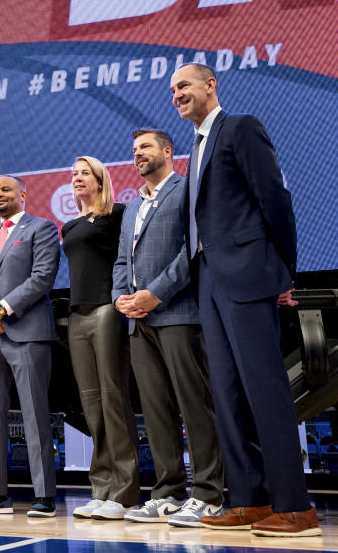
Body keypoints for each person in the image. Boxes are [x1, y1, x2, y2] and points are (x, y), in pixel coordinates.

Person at [171, 63, 319, 537]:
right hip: (209, 282)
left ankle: (295, 506)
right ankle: (249, 500)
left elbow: (275, 199)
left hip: (249, 275)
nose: (178, 95)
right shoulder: (193, 149)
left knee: (265, 391)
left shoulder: (241, 127)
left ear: (211, 85)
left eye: (185, 85)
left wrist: (284, 271)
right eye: (173, 90)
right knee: (228, 397)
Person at [112, 129, 224, 527]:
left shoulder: (185, 190)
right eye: (134, 150)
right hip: (138, 322)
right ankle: (168, 491)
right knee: (156, 409)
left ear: (167, 151)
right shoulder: (131, 205)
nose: (137, 154)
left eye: (144, 147)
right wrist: (120, 298)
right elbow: (122, 261)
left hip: (179, 314)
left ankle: (209, 494)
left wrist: (153, 294)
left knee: (195, 404)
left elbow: (191, 250)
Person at [0, 175, 59, 517]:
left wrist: (2, 309)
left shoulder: (42, 228)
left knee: (35, 416)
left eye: (5, 189)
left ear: (22, 193)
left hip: (27, 334)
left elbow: (43, 277)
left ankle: (44, 496)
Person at [61, 157, 139, 520]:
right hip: (77, 316)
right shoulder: (70, 226)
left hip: (108, 310)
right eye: (73, 175)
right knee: (92, 405)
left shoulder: (119, 214)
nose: (77, 179)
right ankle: (101, 487)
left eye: (84, 174)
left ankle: (124, 492)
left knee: (113, 399)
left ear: (99, 179)